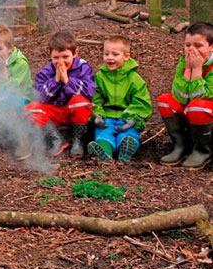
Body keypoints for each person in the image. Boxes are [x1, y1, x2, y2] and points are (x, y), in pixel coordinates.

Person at [24, 30, 95, 158]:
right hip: (54, 112)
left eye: (65, 57)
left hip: (73, 112)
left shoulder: (83, 68)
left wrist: (67, 81)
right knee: (30, 109)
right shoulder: (46, 72)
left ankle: (77, 141)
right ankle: (56, 139)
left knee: (81, 101)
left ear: (75, 54)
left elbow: (89, 93)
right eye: (56, 58)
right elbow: (40, 98)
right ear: (50, 56)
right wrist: (55, 81)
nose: (60, 61)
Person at [157, 22, 213, 169]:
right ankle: (181, 146)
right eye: (188, 45)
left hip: (207, 115)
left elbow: (201, 97)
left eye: (198, 45)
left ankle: (202, 150)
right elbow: (179, 96)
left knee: (197, 106)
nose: (191, 50)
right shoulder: (184, 62)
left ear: (211, 47)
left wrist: (197, 70)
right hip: (192, 110)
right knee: (165, 100)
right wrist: (188, 69)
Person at [88, 35, 152, 162]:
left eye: (115, 54)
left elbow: (142, 101)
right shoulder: (100, 77)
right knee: (103, 134)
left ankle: (126, 149)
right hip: (107, 117)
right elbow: (96, 98)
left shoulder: (134, 79)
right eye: (106, 54)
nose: (110, 58)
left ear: (126, 56)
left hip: (127, 118)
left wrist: (132, 118)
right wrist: (97, 114)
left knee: (128, 134)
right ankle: (104, 152)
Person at [0, 23, 34, 161]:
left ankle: (23, 142)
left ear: (10, 48)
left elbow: (13, 89)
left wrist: (3, 71)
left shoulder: (20, 63)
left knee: (10, 102)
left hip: (21, 99)